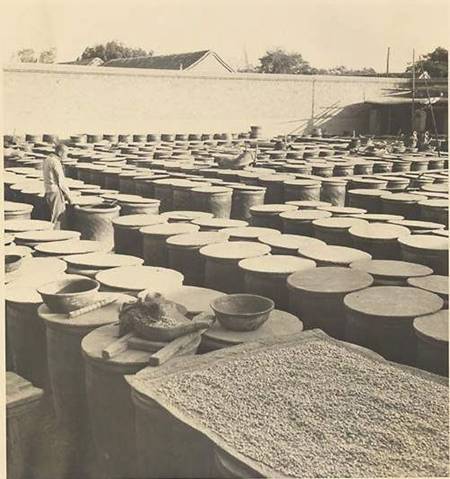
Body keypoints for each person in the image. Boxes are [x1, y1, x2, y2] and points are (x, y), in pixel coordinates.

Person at [43, 143, 72, 229]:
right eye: (66, 153)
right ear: (60, 152)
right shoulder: (55, 162)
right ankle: (56, 236)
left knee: (52, 214)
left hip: (48, 190)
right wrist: (69, 197)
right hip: (55, 192)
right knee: (58, 217)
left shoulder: (47, 159)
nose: (66, 156)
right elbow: (61, 182)